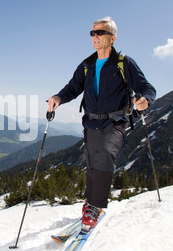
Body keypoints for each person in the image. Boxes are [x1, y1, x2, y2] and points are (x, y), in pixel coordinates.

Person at [47, 16, 156, 232]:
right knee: (92, 162)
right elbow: (72, 87)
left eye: (100, 33)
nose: (95, 36)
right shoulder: (87, 65)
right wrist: (58, 98)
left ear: (112, 38)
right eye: (92, 33)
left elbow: (146, 87)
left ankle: (96, 206)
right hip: (91, 122)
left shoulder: (124, 63)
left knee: (106, 154)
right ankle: (90, 202)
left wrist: (145, 100)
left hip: (115, 121)